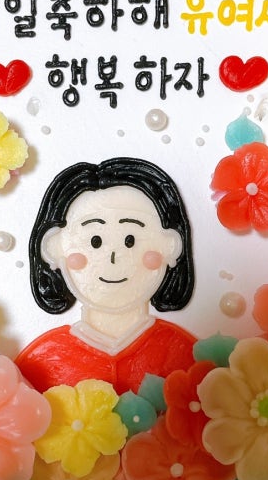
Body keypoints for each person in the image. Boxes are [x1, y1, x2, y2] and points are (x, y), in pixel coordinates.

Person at [15, 157, 197, 395]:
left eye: (130, 240)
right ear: (53, 248)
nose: (112, 257)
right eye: (95, 241)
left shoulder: (184, 354)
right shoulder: (42, 360)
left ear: (171, 246)